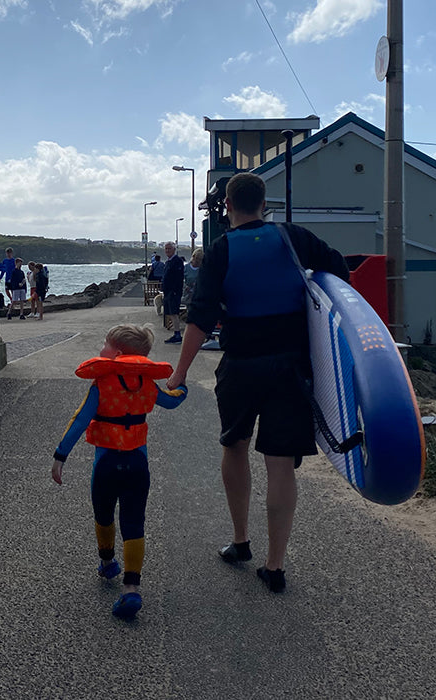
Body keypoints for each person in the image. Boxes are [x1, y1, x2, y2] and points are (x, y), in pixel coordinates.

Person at [167, 172, 349, 593]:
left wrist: (178, 374)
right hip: (291, 368)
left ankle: (240, 542)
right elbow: (337, 272)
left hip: (241, 365)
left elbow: (200, 318)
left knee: (234, 445)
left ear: (227, 206)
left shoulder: (220, 250)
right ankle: (276, 566)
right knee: (280, 464)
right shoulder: (292, 238)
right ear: (264, 204)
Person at [51, 324, 187, 619]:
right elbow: (173, 400)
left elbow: (79, 421)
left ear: (119, 354)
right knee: (134, 521)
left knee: (103, 515)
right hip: (138, 466)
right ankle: (131, 589)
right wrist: (182, 386)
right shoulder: (148, 385)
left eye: (105, 345)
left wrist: (60, 456)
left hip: (106, 465)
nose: (101, 349)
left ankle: (107, 562)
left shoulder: (101, 385)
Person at [161, 241, 185, 344]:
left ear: (174, 250)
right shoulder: (168, 262)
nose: (167, 251)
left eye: (169, 249)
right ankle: (176, 333)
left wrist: (174, 291)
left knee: (174, 313)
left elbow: (178, 278)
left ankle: (177, 335)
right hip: (168, 292)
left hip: (174, 292)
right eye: (166, 249)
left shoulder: (177, 261)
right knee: (170, 313)